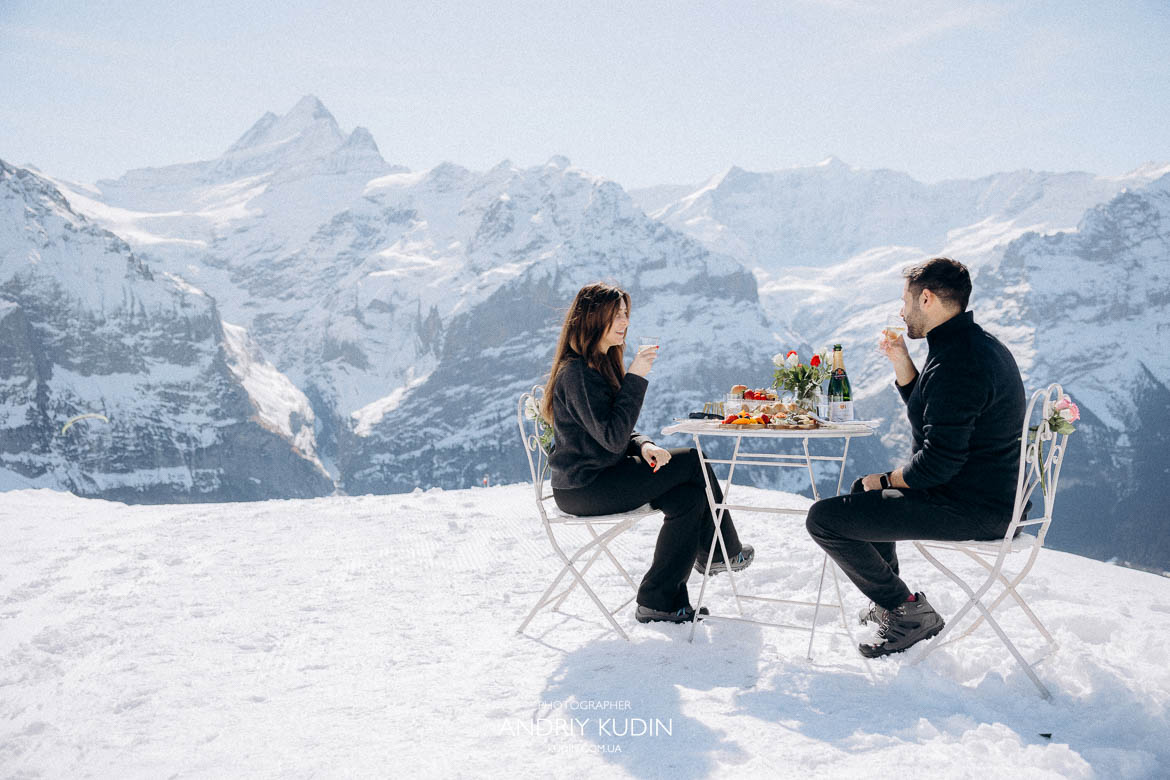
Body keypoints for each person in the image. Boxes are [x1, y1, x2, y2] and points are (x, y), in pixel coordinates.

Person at [805, 257, 1026, 657]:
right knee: (861, 491)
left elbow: (937, 462)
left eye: (905, 301)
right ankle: (895, 606)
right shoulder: (971, 346)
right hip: (983, 494)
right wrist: (902, 363)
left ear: (926, 298)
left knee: (825, 519)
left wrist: (888, 480)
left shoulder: (958, 363)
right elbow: (938, 417)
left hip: (974, 506)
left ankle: (907, 612)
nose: (901, 311)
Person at [542, 282, 755, 624]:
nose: (625, 322)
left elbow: (615, 429)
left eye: (626, 313)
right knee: (692, 460)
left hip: (604, 475)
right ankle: (722, 552)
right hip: (583, 488)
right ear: (594, 319)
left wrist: (645, 444)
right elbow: (612, 437)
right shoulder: (576, 373)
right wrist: (636, 378)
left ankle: (659, 601)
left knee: (688, 497)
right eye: (616, 315)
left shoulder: (600, 364)